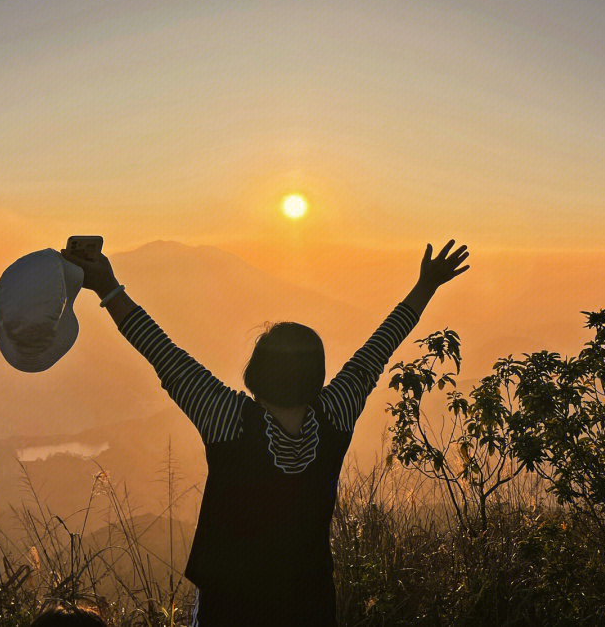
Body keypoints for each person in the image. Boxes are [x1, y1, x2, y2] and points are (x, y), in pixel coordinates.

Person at [60, 239, 470, 627]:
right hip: (310, 606)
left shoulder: (225, 417)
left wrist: (107, 286)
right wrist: (426, 286)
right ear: (316, 374)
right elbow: (379, 348)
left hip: (229, 608)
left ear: (258, 368)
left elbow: (160, 350)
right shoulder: (336, 415)